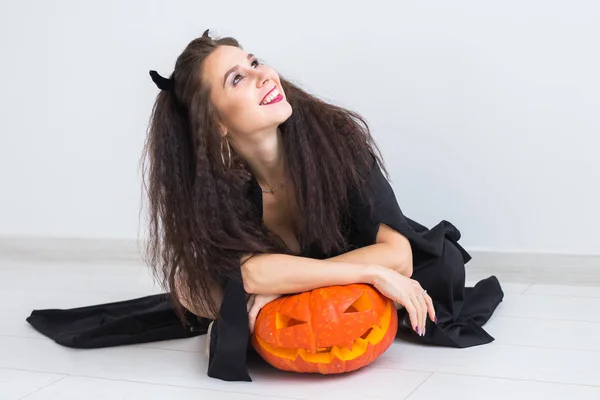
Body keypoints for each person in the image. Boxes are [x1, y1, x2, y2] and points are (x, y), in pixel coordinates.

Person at [26, 29, 503, 383]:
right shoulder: (214, 182)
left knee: (233, 292)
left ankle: (275, 300)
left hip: (329, 266)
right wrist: (370, 273)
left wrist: (369, 270)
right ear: (216, 124)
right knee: (189, 288)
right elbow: (248, 274)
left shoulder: (335, 138)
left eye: (255, 62)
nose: (264, 76)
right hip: (329, 270)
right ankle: (275, 300)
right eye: (239, 78)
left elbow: (397, 254)